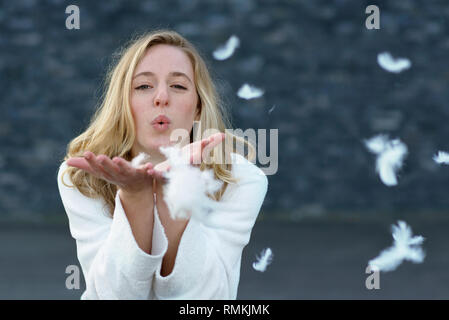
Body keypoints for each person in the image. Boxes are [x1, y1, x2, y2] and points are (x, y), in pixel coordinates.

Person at [57, 29, 268, 300]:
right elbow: (114, 295)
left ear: (199, 107)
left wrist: (176, 190)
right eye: (143, 86)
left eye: (178, 86)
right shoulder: (82, 177)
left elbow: (206, 298)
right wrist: (135, 198)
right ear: (123, 102)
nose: (161, 97)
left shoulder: (241, 179)